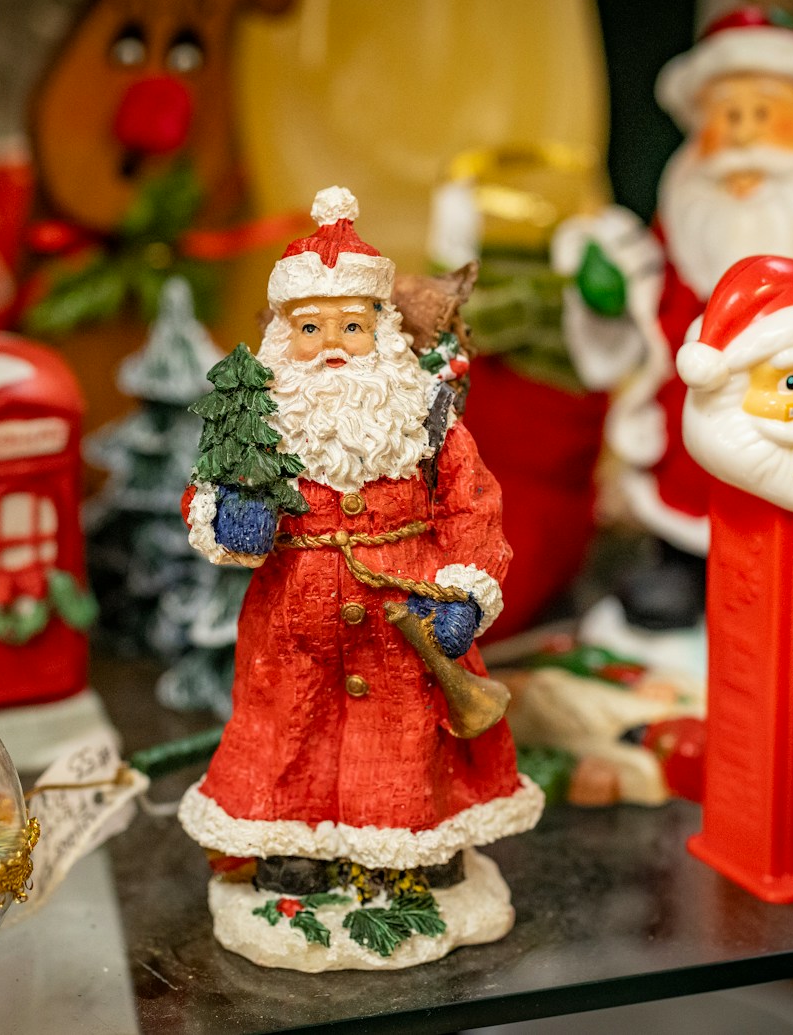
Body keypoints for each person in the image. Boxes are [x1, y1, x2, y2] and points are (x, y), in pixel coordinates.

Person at [178, 187, 542, 968]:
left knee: (406, 737)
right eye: (311, 328)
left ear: (381, 326)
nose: (333, 345)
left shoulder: (425, 416)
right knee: (289, 734)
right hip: (293, 631)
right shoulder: (262, 416)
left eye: (352, 325)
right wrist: (231, 514)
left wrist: (464, 591)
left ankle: (412, 852)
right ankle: (294, 851)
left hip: (405, 621)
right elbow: (205, 488)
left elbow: (472, 506)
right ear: (283, 332)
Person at [559, 6, 793, 633]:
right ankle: (686, 567)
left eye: (764, 112)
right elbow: (660, 279)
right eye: (728, 115)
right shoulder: (690, 196)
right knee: (697, 482)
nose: (744, 132)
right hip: (704, 391)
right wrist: (620, 294)